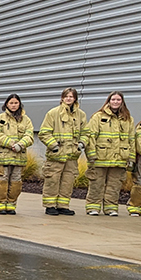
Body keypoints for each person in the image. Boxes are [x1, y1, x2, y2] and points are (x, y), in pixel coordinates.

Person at [83, 91, 134, 216]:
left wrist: (131, 157)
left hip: (119, 158)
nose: (115, 102)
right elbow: (90, 136)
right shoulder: (98, 117)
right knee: (96, 183)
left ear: (122, 102)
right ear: (108, 101)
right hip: (100, 157)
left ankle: (111, 208)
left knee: (114, 185)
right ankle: (92, 207)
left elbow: (132, 139)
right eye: (113, 100)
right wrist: (91, 155)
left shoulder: (128, 119)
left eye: (118, 100)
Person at [39, 87, 86, 216]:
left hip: (72, 156)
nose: (69, 99)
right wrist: (54, 145)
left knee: (68, 181)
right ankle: (50, 205)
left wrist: (81, 144)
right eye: (66, 96)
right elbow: (44, 132)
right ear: (62, 98)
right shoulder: (53, 113)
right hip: (56, 155)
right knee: (52, 180)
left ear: (75, 98)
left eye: (71, 96)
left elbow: (86, 132)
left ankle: (63, 205)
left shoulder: (81, 115)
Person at [0, 94, 35, 214]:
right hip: (2, 156)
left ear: (19, 104)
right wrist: (11, 144)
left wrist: (20, 145)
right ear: (6, 104)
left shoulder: (26, 120)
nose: (14, 105)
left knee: (16, 182)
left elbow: (30, 135)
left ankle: (11, 205)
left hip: (19, 157)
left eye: (16, 103)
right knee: (1, 181)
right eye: (11, 103)